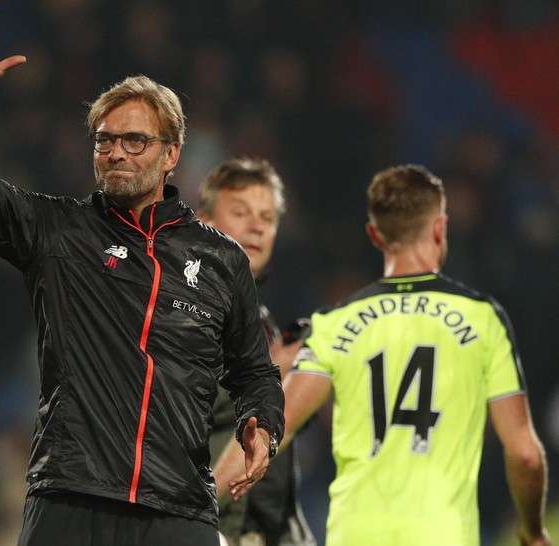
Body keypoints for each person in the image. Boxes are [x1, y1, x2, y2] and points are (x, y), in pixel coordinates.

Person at [0, 1, 286, 545]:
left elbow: (254, 372)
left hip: (178, 507)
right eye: (105, 140)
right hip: (71, 496)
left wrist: (263, 426)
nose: (116, 152)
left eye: (134, 140)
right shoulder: (58, 232)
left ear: (171, 155)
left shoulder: (220, 260)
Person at [228, 164, 552, 545]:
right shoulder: (482, 319)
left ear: (374, 235)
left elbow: (269, 433)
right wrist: (532, 530)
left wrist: (198, 497)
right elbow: (525, 454)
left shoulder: (335, 323)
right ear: (440, 229)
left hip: (355, 533)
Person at [198, 159, 316, 546]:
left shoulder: (263, 323)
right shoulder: (176, 316)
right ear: (203, 223)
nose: (257, 225)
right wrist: (278, 374)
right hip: (210, 529)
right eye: (240, 212)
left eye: (267, 216)